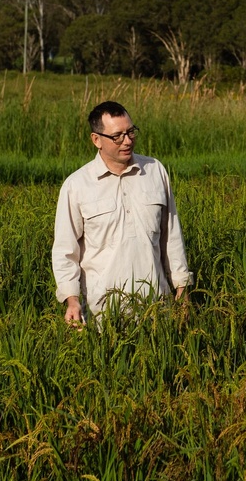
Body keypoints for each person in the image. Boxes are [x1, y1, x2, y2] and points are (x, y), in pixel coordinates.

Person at [52, 100, 192, 325]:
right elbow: (65, 251)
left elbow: (172, 237)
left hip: (156, 312)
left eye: (131, 132)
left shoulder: (155, 171)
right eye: (117, 136)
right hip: (102, 316)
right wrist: (72, 300)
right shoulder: (77, 185)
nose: (127, 141)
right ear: (96, 139)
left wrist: (182, 287)